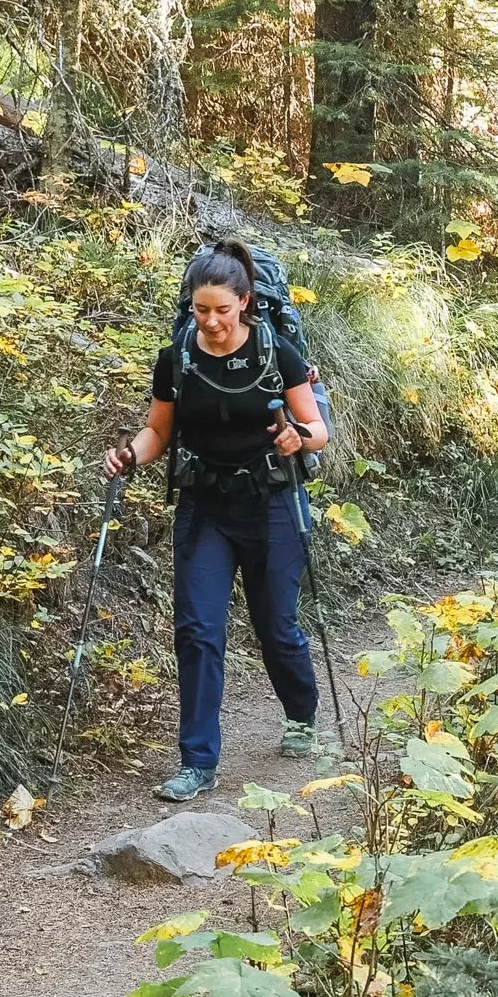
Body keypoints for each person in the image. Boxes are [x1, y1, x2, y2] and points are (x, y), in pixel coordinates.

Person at [104, 240, 332, 802]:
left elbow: (317, 428)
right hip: (205, 507)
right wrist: (131, 454)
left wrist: (295, 438)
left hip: (273, 503)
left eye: (222, 311)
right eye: (201, 310)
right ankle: (197, 762)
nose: (211, 322)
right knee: (198, 632)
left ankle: (302, 714)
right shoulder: (177, 356)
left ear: (245, 303)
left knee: (276, 627)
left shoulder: (278, 353)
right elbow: (158, 430)